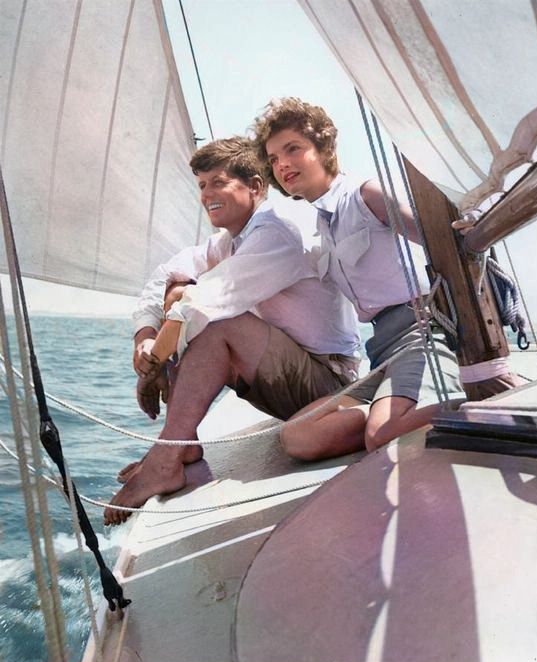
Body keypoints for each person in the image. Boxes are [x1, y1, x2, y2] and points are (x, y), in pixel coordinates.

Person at [104, 136, 360, 525]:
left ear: (255, 187)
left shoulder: (277, 232)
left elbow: (206, 302)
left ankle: (166, 458)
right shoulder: (228, 242)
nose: (207, 194)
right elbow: (163, 279)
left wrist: (154, 365)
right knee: (177, 292)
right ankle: (181, 448)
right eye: (202, 185)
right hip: (287, 383)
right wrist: (144, 335)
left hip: (329, 386)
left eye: (218, 182)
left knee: (212, 317)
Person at [251, 97, 463, 461]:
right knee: (298, 436)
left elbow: (445, 239)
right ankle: (392, 411)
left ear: (324, 149)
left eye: (293, 149)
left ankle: (483, 400)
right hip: (381, 348)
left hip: (421, 332)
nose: (282, 163)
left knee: (382, 436)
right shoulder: (321, 222)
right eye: (273, 158)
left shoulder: (366, 195)